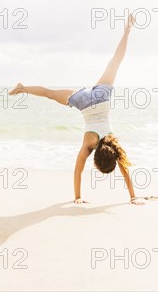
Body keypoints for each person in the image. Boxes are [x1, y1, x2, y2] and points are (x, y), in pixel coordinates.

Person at [9, 14, 144, 205]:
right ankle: (23, 88)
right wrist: (77, 197)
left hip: (101, 97)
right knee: (50, 94)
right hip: (85, 103)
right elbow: (78, 170)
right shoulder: (89, 144)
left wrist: (133, 196)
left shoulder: (114, 145)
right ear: (96, 159)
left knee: (115, 62)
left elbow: (124, 170)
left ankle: (127, 31)